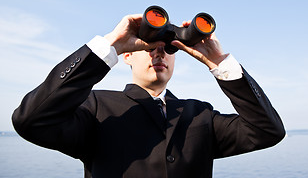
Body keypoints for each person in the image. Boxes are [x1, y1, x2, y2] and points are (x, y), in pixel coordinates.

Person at [12, 12, 285, 178]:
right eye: (150, 45)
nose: (159, 52)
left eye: (169, 48)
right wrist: (109, 46)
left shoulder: (200, 114)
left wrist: (220, 63)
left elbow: (267, 131)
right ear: (128, 55)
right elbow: (31, 120)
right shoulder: (96, 107)